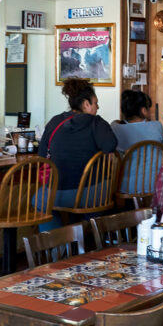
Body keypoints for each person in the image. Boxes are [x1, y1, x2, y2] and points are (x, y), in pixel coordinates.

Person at [38, 79, 117, 226]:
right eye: (95, 103)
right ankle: (89, 234)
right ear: (86, 104)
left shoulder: (55, 122)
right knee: (97, 198)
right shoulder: (97, 123)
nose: (98, 107)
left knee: (40, 202)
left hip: (58, 194)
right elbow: (110, 145)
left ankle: (56, 244)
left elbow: (42, 156)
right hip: (92, 194)